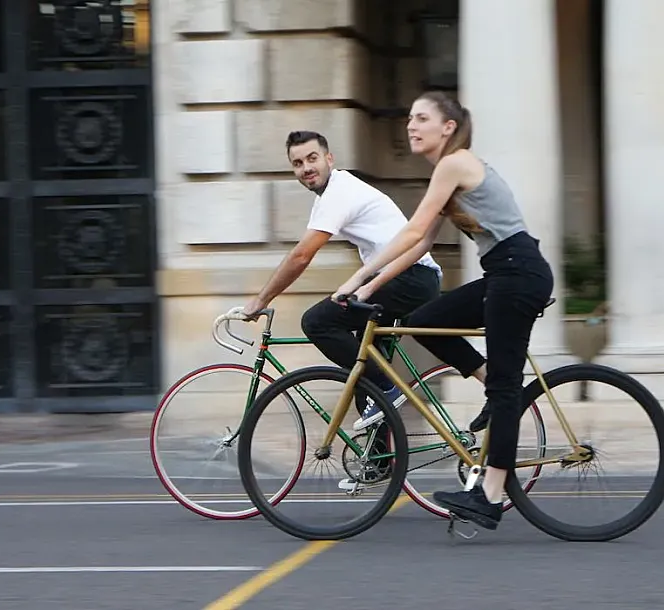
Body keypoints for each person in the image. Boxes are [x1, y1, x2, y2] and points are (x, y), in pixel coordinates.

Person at [332, 91, 554, 530]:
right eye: (409, 118)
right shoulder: (447, 173)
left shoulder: (455, 163)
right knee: (423, 323)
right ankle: (491, 383)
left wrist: (355, 279)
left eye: (421, 118)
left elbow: (411, 229)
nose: (410, 125)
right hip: (504, 274)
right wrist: (372, 284)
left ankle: (490, 496)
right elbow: (421, 244)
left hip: (518, 273)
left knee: (508, 390)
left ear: (447, 127)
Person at [235, 131, 442, 409]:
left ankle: (388, 391)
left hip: (409, 278)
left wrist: (261, 300)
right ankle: (379, 442)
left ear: (329, 159)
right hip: (402, 279)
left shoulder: (338, 192)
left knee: (317, 322)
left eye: (312, 158)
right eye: (298, 163)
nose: (306, 168)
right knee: (365, 385)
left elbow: (302, 256)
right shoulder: (331, 195)